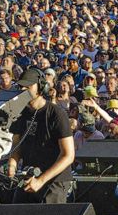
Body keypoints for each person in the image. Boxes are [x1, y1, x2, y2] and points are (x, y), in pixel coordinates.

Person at [6, 68, 76, 203]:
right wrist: (12, 165)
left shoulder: (56, 114)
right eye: (21, 87)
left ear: (41, 87)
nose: (23, 90)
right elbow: (16, 145)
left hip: (53, 181)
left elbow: (68, 155)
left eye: (28, 86)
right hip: (29, 176)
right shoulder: (21, 112)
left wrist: (41, 180)